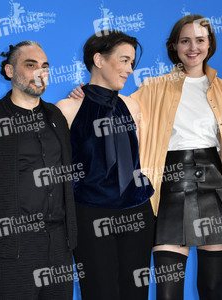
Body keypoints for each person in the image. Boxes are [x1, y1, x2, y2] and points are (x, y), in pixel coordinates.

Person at [69, 15, 222, 300]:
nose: (192, 47)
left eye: (200, 40)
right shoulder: (154, 87)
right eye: (185, 41)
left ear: (210, 45)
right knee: (167, 293)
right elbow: (115, 103)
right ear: (174, 46)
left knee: (213, 288)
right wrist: (85, 94)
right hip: (169, 189)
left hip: (215, 186)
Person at [0, 41, 77, 300]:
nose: (40, 72)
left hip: (59, 243)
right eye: (30, 65)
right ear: (9, 71)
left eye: (45, 66)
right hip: (13, 246)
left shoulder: (56, 117)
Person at [55, 31, 155, 300]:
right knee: (100, 292)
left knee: (136, 294)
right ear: (98, 59)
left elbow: (140, 158)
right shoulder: (67, 108)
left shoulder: (133, 106)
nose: (129, 70)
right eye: (123, 61)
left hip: (137, 211)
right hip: (91, 214)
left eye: (132, 63)